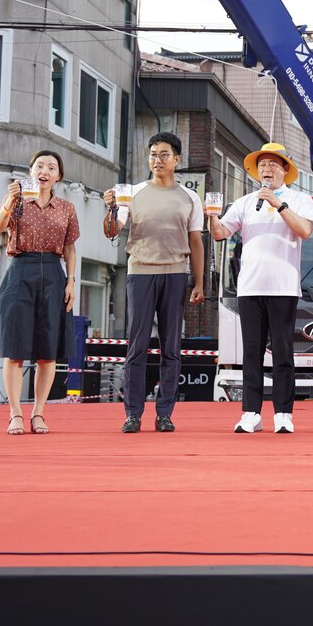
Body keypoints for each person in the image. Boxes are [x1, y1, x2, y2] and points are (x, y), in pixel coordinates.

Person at [210, 143, 313, 433]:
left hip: (283, 285)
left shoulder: (299, 199)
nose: (267, 169)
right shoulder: (245, 202)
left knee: (283, 352)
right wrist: (211, 216)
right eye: (262, 165)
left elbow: (305, 231)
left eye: (273, 164)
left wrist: (278, 204)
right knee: (252, 352)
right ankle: (251, 413)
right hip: (249, 287)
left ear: (285, 170)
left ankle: (283, 413)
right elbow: (221, 232)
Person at [103, 133, 205, 434]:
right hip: (140, 272)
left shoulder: (190, 197)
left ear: (177, 160)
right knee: (136, 346)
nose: (157, 160)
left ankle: (164, 413)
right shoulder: (131, 193)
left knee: (171, 347)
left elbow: (196, 241)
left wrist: (198, 282)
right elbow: (112, 231)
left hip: (175, 274)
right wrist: (110, 208)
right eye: (152, 154)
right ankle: (133, 414)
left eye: (163, 154)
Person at [0, 151, 78, 435]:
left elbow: (70, 247)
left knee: (47, 352)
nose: (45, 171)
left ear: (58, 176)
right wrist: (9, 202)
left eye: (52, 167)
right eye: (39, 166)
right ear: (30, 171)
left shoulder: (66, 207)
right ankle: (15, 413)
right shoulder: (16, 202)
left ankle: (38, 413)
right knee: (14, 350)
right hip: (20, 270)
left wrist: (71, 281)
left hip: (53, 272)